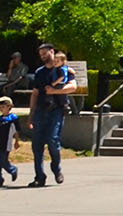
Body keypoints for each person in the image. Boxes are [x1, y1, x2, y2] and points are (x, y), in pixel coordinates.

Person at [25, 42, 76, 186]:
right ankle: (39, 177)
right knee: (37, 145)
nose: (42, 56)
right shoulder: (39, 72)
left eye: (44, 53)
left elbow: (73, 87)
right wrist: (31, 114)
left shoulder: (63, 69)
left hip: (56, 110)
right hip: (40, 110)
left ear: (52, 52)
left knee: (53, 140)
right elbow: (35, 93)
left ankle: (56, 168)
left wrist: (55, 91)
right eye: (40, 54)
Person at [0, 96, 25, 186]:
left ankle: (13, 170)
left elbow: (16, 131)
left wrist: (16, 141)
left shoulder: (13, 118)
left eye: (3, 107)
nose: (1, 109)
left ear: (9, 107)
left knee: (4, 162)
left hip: (6, 144)